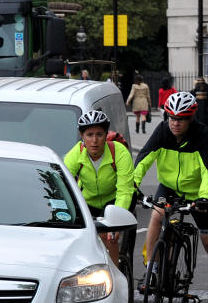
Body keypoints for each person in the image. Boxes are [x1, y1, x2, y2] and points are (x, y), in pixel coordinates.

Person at [132, 91, 208, 264]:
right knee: (157, 215)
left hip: (198, 192)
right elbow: (144, 159)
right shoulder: (162, 131)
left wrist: (205, 197)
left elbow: (207, 171)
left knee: (206, 236)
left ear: (190, 119)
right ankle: (152, 266)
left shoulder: (202, 135)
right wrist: (132, 185)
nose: (175, 123)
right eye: (171, 117)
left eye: (180, 119)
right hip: (169, 187)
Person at [64, 110, 134, 265]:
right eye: (89, 135)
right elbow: (63, 186)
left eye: (99, 134)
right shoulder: (76, 154)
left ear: (106, 135)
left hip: (115, 200)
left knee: (110, 237)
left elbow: (125, 190)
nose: (94, 140)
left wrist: (116, 221)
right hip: (89, 202)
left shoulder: (119, 152)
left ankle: (115, 280)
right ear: (82, 136)